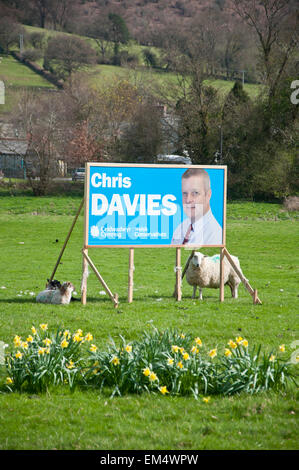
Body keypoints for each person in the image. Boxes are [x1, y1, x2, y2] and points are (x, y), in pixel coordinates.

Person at [171, 168, 222, 246]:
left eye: (195, 193)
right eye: (185, 193)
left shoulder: (215, 236)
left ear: (208, 195)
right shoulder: (180, 228)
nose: (188, 200)